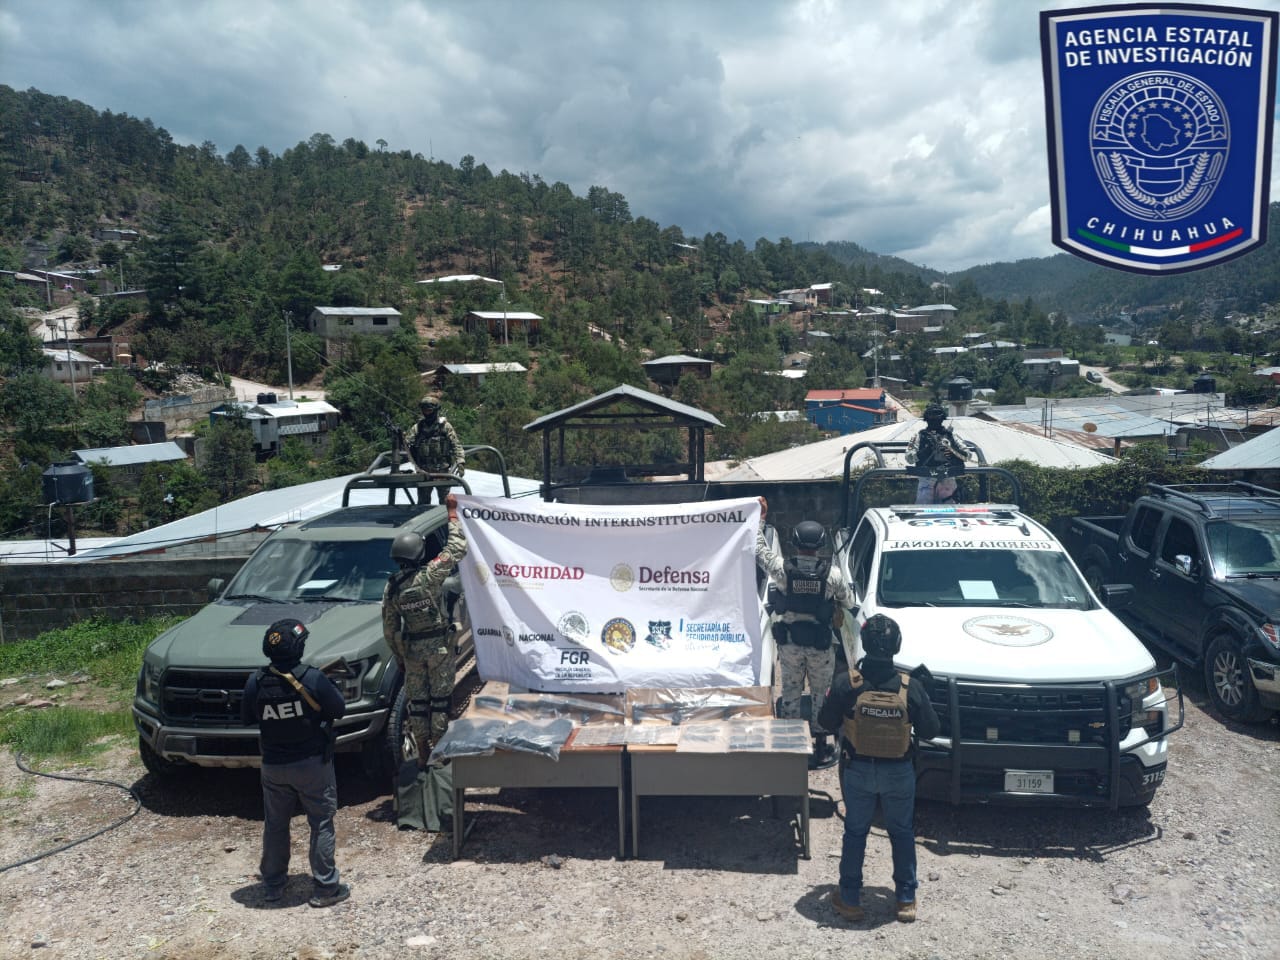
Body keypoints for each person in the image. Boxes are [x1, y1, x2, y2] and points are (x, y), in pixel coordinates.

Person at [818, 613, 940, 924]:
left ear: (864, 644)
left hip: (858, 769)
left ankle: (849, 899)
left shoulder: (848, 683)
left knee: (855, 832)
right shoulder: (909, 687)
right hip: (898, 773)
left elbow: (824, 722)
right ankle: (905, 899)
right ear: (897, 646)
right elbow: (929, 730)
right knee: (901, 833)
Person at [241, 618, 350, 908]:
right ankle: (326, 888)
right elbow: (338, 709)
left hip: (274, 766)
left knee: (275, 824)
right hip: (313, 764)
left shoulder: (256, 681)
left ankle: (273, 885)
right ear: (299, 648)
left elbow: (246, 716)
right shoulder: (313, 678)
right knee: (321, 822)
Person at [756, 497, 853, 768]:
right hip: (821, 646)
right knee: (821, 694)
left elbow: (759, 550)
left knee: (790, 691)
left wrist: (761, 518)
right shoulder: (832, 575)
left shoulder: (782, 570)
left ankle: (790, 746)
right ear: (821, 545)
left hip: (790, 644)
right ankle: (820, 745)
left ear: (795, 543)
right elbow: (848, 601)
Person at [382, 493, 468, 772]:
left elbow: (389, 627)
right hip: (439, 649)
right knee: (441, 702)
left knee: (418, 703)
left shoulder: (392, 586)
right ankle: (440, 754)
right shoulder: (430, 575)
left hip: (412, 652)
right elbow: (456, 548)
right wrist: (452, 514)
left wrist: (399, 656)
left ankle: (421, 751)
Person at [905, 401, 973, 504]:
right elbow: (909, 458)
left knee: (949, 514)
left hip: (948, 479)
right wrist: (926, 450)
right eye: (931, 415)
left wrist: (952, 451)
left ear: (942, 418)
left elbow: (967, 456)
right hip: (926, 479)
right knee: (923, 513)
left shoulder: (952, 436)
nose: (934, 419)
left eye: (937, 415)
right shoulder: (919, 436)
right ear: (926, 418)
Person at [407, 396, 465, 502]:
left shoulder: (445, 426)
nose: (427, 413)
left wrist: (460, 461)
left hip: (442, 470)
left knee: (445, 502)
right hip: (424, 470)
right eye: (425, 410)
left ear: (435, 410)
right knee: (423, 503)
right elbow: (407, 444)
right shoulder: (417, 427)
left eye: (429, 410)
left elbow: (456, 445)